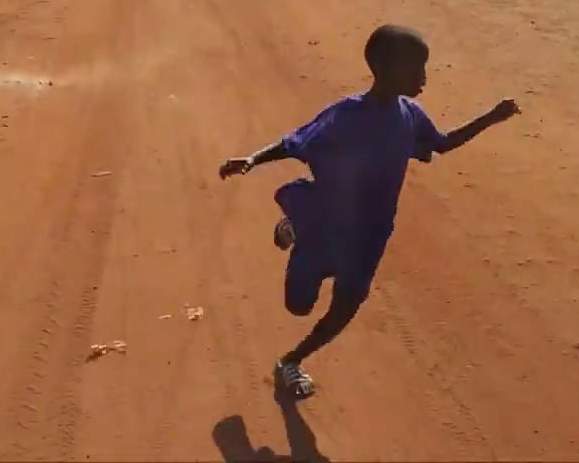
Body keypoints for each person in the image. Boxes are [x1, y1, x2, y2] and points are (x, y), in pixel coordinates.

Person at [218, 24, 521, 399]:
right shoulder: (346, 114)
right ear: (383, 66)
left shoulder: (411, 115)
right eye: (415, 67)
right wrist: (252, 159)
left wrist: (489, 119)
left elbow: (441, 144)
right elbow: (293, 142)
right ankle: (296, 222)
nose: (424, 77)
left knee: (347, 304)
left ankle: (291, 361)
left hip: (370, 234)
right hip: (325, 225)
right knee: (298, 306)